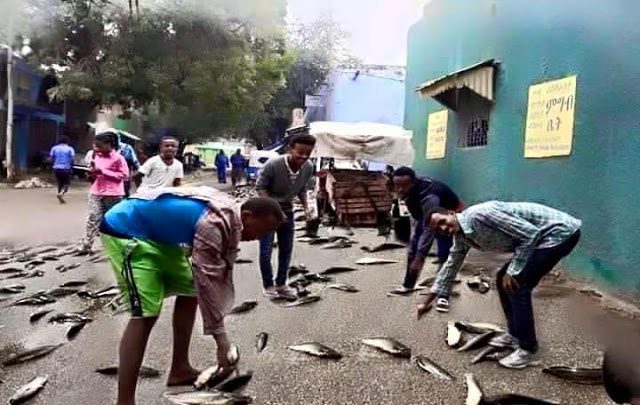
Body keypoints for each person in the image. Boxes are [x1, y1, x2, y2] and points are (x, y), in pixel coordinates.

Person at [99, 186, 285, 405]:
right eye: (261, 231)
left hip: (158, 236)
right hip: (125, 230)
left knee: (191, 288)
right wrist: (222, 343)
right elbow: (208, 282)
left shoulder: (230, 215)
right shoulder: (214, 225)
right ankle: (125, 401)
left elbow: (206, 278)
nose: (259, 238)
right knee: (146, 314)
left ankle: (180, 368)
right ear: (247, 216)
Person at [418, 201, 581, 369]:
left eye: (442, 222)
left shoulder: (480, 215)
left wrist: (513, 271)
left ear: (452, 213)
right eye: (437, 229)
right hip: (541, 238)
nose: (443, 228)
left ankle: (527, 348)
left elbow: (531, 234)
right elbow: (450, 266)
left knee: (517, 285)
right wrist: (426, 302)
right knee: (502, 278)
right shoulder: (461, 236)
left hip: (560, 233)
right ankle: (515, 335)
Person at [388, 167, 463, 313]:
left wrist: (421, 256)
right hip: (425, 217)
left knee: (444, 255)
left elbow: (430, 228)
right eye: (397, 185)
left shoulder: (429, 196)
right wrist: (416, 252)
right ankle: (408, 285)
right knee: (413, 250)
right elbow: (421, 221)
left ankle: (443, 295)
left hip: (446, 216)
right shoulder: (409, 191)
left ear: (414, 182)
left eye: (404, 186)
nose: (400, 189)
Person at [256, 134, 316, 299]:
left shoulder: (308, 167)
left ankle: (281, 283)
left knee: (286, 249)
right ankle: (268, 285)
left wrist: (306, 207)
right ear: (290, 149)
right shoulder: (273, 164)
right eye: (300, 153)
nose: (303, 157)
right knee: (266, 250)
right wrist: (274, 209)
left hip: (288, 211)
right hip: (267, 211)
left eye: (307, 154)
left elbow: (302, 188)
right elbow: (261, 188)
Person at [79, 132, 129, 253]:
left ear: (109, 144)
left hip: (113, 194)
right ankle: (87, 245)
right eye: (96, 145)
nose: (97, 148)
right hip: (96, 191)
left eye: (100, 146)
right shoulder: (96, 156)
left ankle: (117, 245)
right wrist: (92, 173)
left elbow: (125, 176)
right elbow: (97, 173)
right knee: (93, 217)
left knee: (112, 220)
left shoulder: (119, 158)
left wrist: (103, 171)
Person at [49, 135, 75, 204]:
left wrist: (53, 166)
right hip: (66, 168)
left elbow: (51, 158)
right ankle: (62, 193)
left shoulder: (54, 148)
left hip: (56, 168)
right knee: (66, 183)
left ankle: (60, 195)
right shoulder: (70, 149)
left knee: (59, 182)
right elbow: (72, 159)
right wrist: (71, 167)